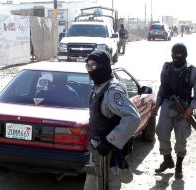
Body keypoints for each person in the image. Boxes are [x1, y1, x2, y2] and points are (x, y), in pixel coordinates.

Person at [84, 50, 141, 190]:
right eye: (88, 66)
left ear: (103, 66)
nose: (90, 70)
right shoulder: (99, 88)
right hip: (98, 151)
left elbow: (133, 118)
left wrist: (109, 141)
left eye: (93, 66)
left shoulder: (112, 91)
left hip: (109, 155)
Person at [151, 43, 196, 179]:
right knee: (161, 132)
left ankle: (179, 166)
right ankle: (167, 159)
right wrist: (157, 105)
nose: (174, 56)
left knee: (181, 138)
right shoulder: (167, 67)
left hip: (183, 108)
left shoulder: (192, 70)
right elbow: (162, 88)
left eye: (178, 54)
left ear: (184, 55)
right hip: (167, 104)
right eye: (173, 53)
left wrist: (191, 108)